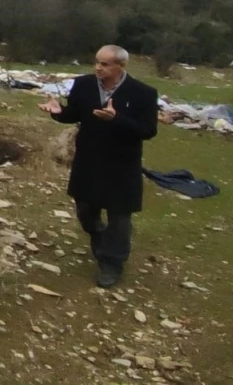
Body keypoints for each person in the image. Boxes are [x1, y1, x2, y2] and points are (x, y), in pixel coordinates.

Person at [38, 45, 158, 288]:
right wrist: (58, 111)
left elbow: (148, 130)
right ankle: (99, 236)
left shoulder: (142, 93)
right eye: (97, 62)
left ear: (121, 66)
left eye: (105, 64)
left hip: (122, 164)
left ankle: (112, 263)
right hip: (88, 160)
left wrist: (118, 119)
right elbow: (74, 113)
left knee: (120, 218)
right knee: (85, 210)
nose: (98, 68)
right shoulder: (83, 84)